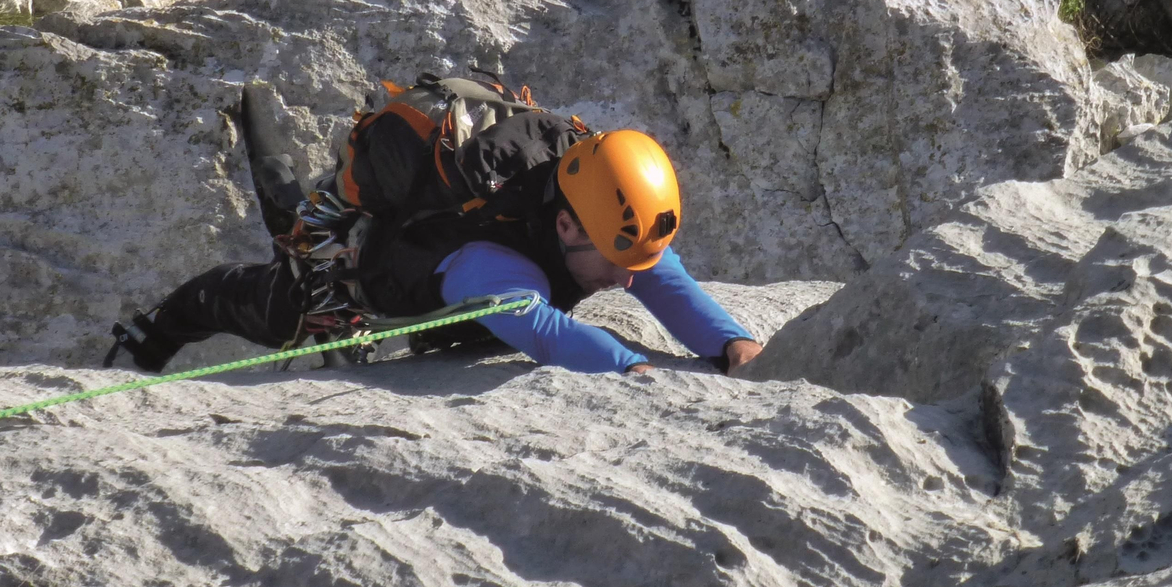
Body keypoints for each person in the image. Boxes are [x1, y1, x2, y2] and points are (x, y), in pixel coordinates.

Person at [108, 110, 764, 379]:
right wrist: (628, 368)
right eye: (618, 267)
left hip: (455, 272)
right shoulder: (492, 266)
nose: (629, 280)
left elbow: (664, 279)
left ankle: (274, 155)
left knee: (292, 224)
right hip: (379, 270)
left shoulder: (599, 212)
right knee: (279, 309)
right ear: (565, 227)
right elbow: (545, 334)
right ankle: (155, 331)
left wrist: (733, 345)